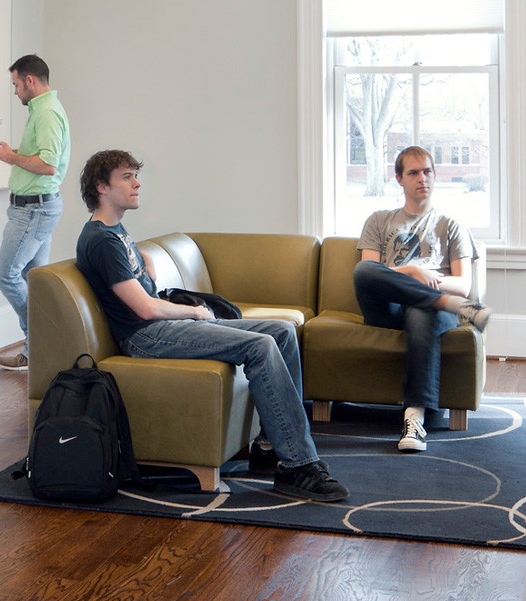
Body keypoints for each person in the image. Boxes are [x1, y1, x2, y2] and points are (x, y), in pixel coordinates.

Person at [72, 148, 349, 504]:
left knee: (281, 331)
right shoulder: (99, 240)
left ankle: (269, 443)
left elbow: (139, 282)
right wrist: (193, 312)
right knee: (260, 345)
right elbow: (142, 309)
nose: (137, 183)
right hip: (146, 337)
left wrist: (145, 267)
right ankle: (299, 465)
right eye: (126, 177)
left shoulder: (115, 232)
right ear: (101, 187)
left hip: (156, 326)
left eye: (134, 175)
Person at [353, 146, 495, 453]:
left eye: (428, 171)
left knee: (421, 310)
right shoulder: (379, 220)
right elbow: (371, 270)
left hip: (429, 308)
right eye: (414, 173)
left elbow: (463, 283)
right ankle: (447, 305)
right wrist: (413, 271)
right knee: (363, 271)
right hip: (389, 308)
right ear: (399, 179)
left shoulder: (450, 225)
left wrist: (433, 283)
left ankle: (414, 418)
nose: (423, 178)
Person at [0, 54, 69, 372]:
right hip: (35, 208)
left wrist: (11, 158)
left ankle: (41, 344)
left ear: (29, 80)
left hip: (34, 210)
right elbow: (34, 159)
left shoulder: (48, 113)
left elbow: (48, 164)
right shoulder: (42, 110)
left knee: (5, 274)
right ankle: (39, 350)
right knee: (34, 281)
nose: (14, 92)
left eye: (15, 84)